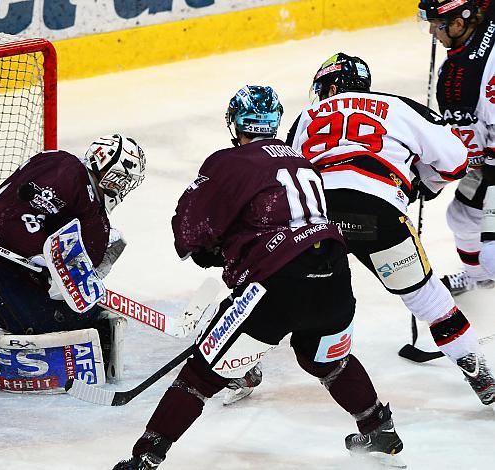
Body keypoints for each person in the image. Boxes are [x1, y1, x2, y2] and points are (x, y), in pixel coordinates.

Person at [113, 86, 405, 470]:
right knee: (324, 358)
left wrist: (214, 251)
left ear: (235, 123)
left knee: (201, 374)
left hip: (277, 283)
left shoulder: (228, 161)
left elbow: (189, 234)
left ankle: (144, 458)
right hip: (334, 275)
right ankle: (378, 430)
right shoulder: (302, 161)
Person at [286, 52, 495, 407]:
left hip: (318, 217)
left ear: (332, 85)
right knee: (428, 300)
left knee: (283, 292)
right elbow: (457, 159)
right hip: (377, 211)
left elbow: (290, 174)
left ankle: (242, 365)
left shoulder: (305, 117)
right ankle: (478, 373)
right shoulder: (398, 106)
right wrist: (421, 185)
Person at [0, 134, 146, 375]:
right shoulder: (69, 171)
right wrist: (44, 257)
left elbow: (76, 255)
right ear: (101, 163)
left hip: (17, 275)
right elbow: (8, 220)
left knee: (87, 319)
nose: (121, 187)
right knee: (50, 327)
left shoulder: (91, 206)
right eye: (120, 178)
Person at [418, 0, 495, 296]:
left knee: (464, 218)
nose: (431, 32)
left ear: (459, 24)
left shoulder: (457, 81)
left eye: (437, 25)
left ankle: (480, 275)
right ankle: (479, 276)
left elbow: (470, 157)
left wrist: (430, 178)